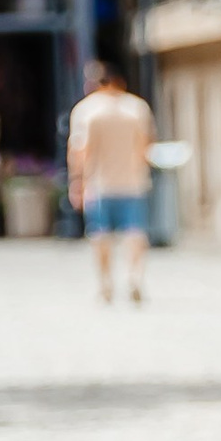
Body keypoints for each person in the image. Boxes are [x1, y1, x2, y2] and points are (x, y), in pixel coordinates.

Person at [66, 60, 155, 302]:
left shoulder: (86, 111)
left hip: (99, 183)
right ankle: (134, 276)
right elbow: (146, 146)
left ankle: (105, 282)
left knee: (99, 234)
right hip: (133, 182)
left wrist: (77, 183)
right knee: (135, 233)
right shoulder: (136, 108)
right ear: (119, 81)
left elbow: (79, 151)